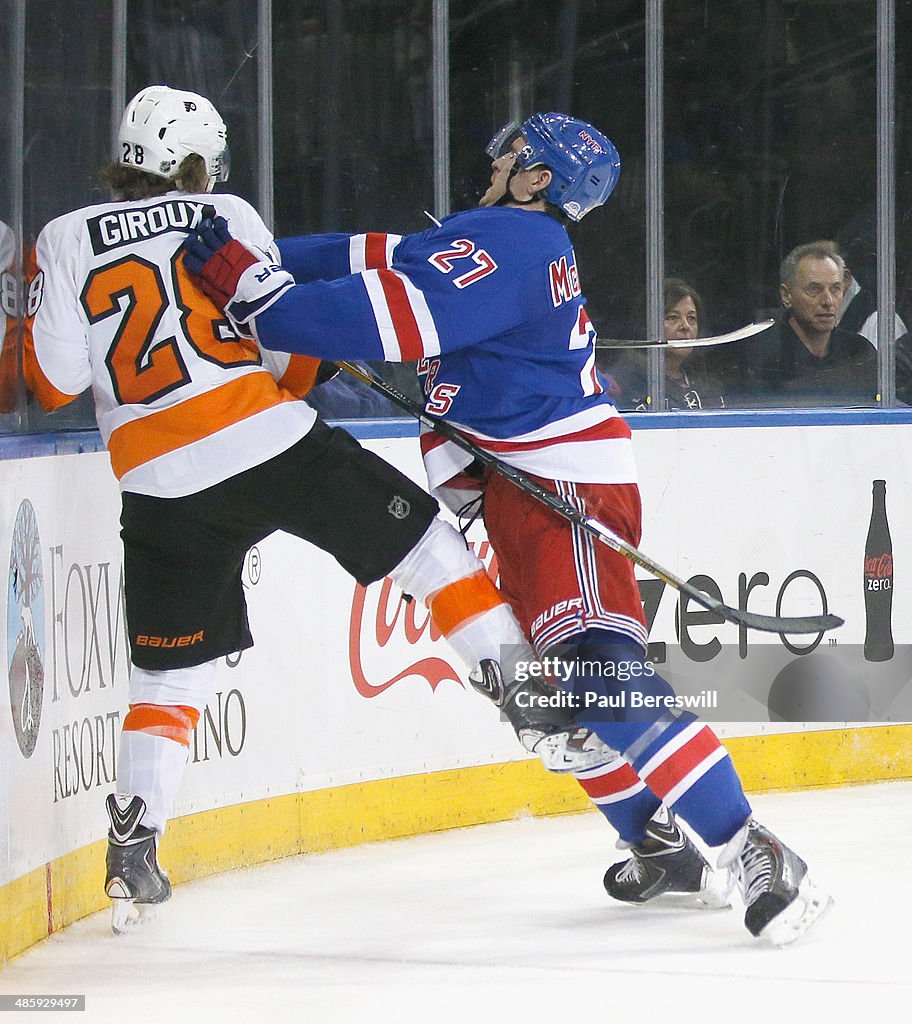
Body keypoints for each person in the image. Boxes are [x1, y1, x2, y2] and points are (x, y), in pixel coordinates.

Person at [184, 112, 832, 945]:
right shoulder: (490, 239)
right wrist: (244, 248)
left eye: (513, 153)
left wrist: (250, 289)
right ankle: (655, 840)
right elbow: (361, 254)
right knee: (549, 694)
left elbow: (377, 320)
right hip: (511, 486)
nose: (495, 160)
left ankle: (752, 844)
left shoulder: (516, 247)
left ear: (536, 179)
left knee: (596, 670)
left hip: (561, 485)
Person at [23, 87, 612, 932]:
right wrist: (322, 365)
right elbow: (285, 343)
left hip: (153, 482)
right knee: (431, 554)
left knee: (166, 673)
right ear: (198, 163)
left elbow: (56, 384)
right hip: (265, 444)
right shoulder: (224, 212)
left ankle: (133, 848)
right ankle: (534, 707)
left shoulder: (64, 236)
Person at [729, 241, 877, 407]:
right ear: (786, 295)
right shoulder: (760, 356)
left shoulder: (860, 352)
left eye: (835, 289)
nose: (828, 301)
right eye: (814, 289)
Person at [611, 278, 725, 410]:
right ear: (647, 324)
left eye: (691, 318)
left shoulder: (707, 386)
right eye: (673, 317)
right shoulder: (623, 383)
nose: (685, 326)